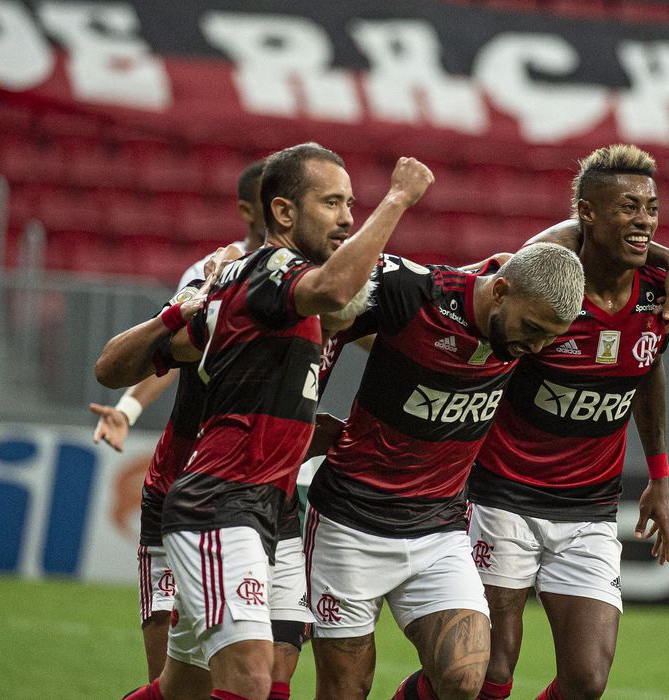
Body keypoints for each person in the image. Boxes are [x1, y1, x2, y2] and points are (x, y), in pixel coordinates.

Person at [99, 142, 434, 700]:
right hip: (217, 501)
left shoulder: (281, 302)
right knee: (248, 679)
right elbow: (113, 367)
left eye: (352, 203)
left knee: (206, 684)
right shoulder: (272, 270)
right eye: (332, 203)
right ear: (282, 213)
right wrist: (397, 199)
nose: (348, 218)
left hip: (272, 510)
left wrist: (302, 432)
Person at [303, 243, 586, 700]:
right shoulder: (412, 293)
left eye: (548, 338)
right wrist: (297, 417)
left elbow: (584, 233)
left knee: (463, 677)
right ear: (499, 291)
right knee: (344, 690)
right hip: (349, 523)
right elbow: (321, 304)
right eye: (532, 329)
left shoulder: (522, 309)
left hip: (439, 528)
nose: (535, 347)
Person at [463, 144, 669, 700]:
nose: (644, 220)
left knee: (586, 681)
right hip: (503, 493)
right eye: (628, 207)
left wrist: (659, 474)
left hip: (589, 506)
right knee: (493, 670)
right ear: (588, 213)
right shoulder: (548, 293)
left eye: (651, 208)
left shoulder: (660, 294)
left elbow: (648, 371)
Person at [89, 161, 270, 685]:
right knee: (177, 681)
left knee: (263, 675)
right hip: (190, 483)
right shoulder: (212, 273)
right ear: (251, 209)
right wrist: (128, 409)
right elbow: (169, 355)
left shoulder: (318, 285)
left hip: (261, 495)